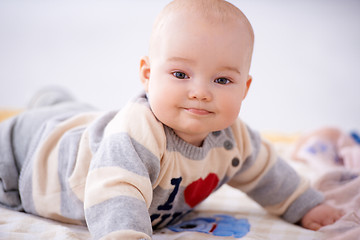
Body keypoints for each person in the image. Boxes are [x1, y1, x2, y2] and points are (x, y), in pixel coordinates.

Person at [0, 0, 343, 239]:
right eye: (180, 74)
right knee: (64, 124)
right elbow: (116, 192)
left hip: (86, 129)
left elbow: (268, 172)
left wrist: (304, 206)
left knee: (82, 116)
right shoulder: (138, 133)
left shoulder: (233, 139)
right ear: (147, 75)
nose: (200, 92)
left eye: (222, 80)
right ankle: (50, 103)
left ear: (245, 88)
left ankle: (55, 101)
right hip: (30, 157)